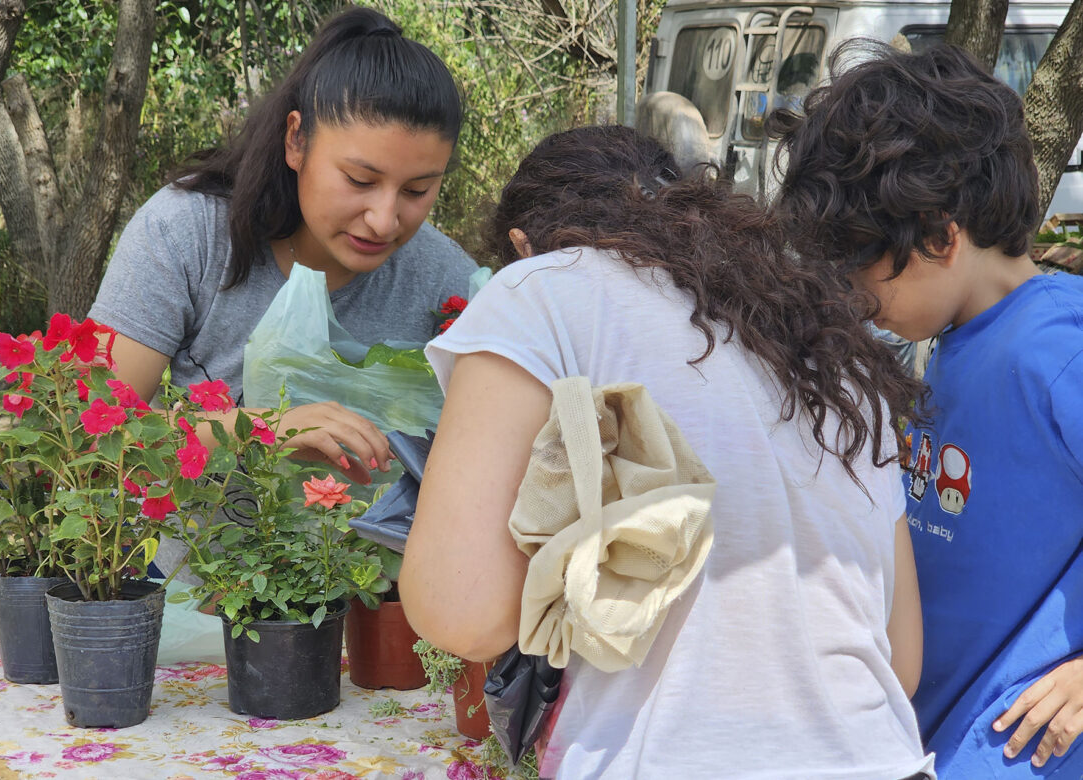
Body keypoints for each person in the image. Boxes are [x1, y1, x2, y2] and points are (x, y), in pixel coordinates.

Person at [399, 125, 935, 778]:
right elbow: (900, 657)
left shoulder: (536, 287)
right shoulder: (828, 342)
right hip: (882, 759)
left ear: (523, 245)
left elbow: (462, 612)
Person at [771, 41, 1083, 777]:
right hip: (935, 730)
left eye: (862, 279)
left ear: (942, 237)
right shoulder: (952, 336)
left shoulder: (1057, 349)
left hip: (1018, 740)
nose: (854, 303)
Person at [89, 6, 478, 486]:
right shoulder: (188, 235)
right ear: (296, 140)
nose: (383, 220)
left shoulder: (449, 284)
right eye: (359, 180)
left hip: (379, 563)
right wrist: (263, 428)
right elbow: (89, 434)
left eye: (417, 191)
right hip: (191, 563)